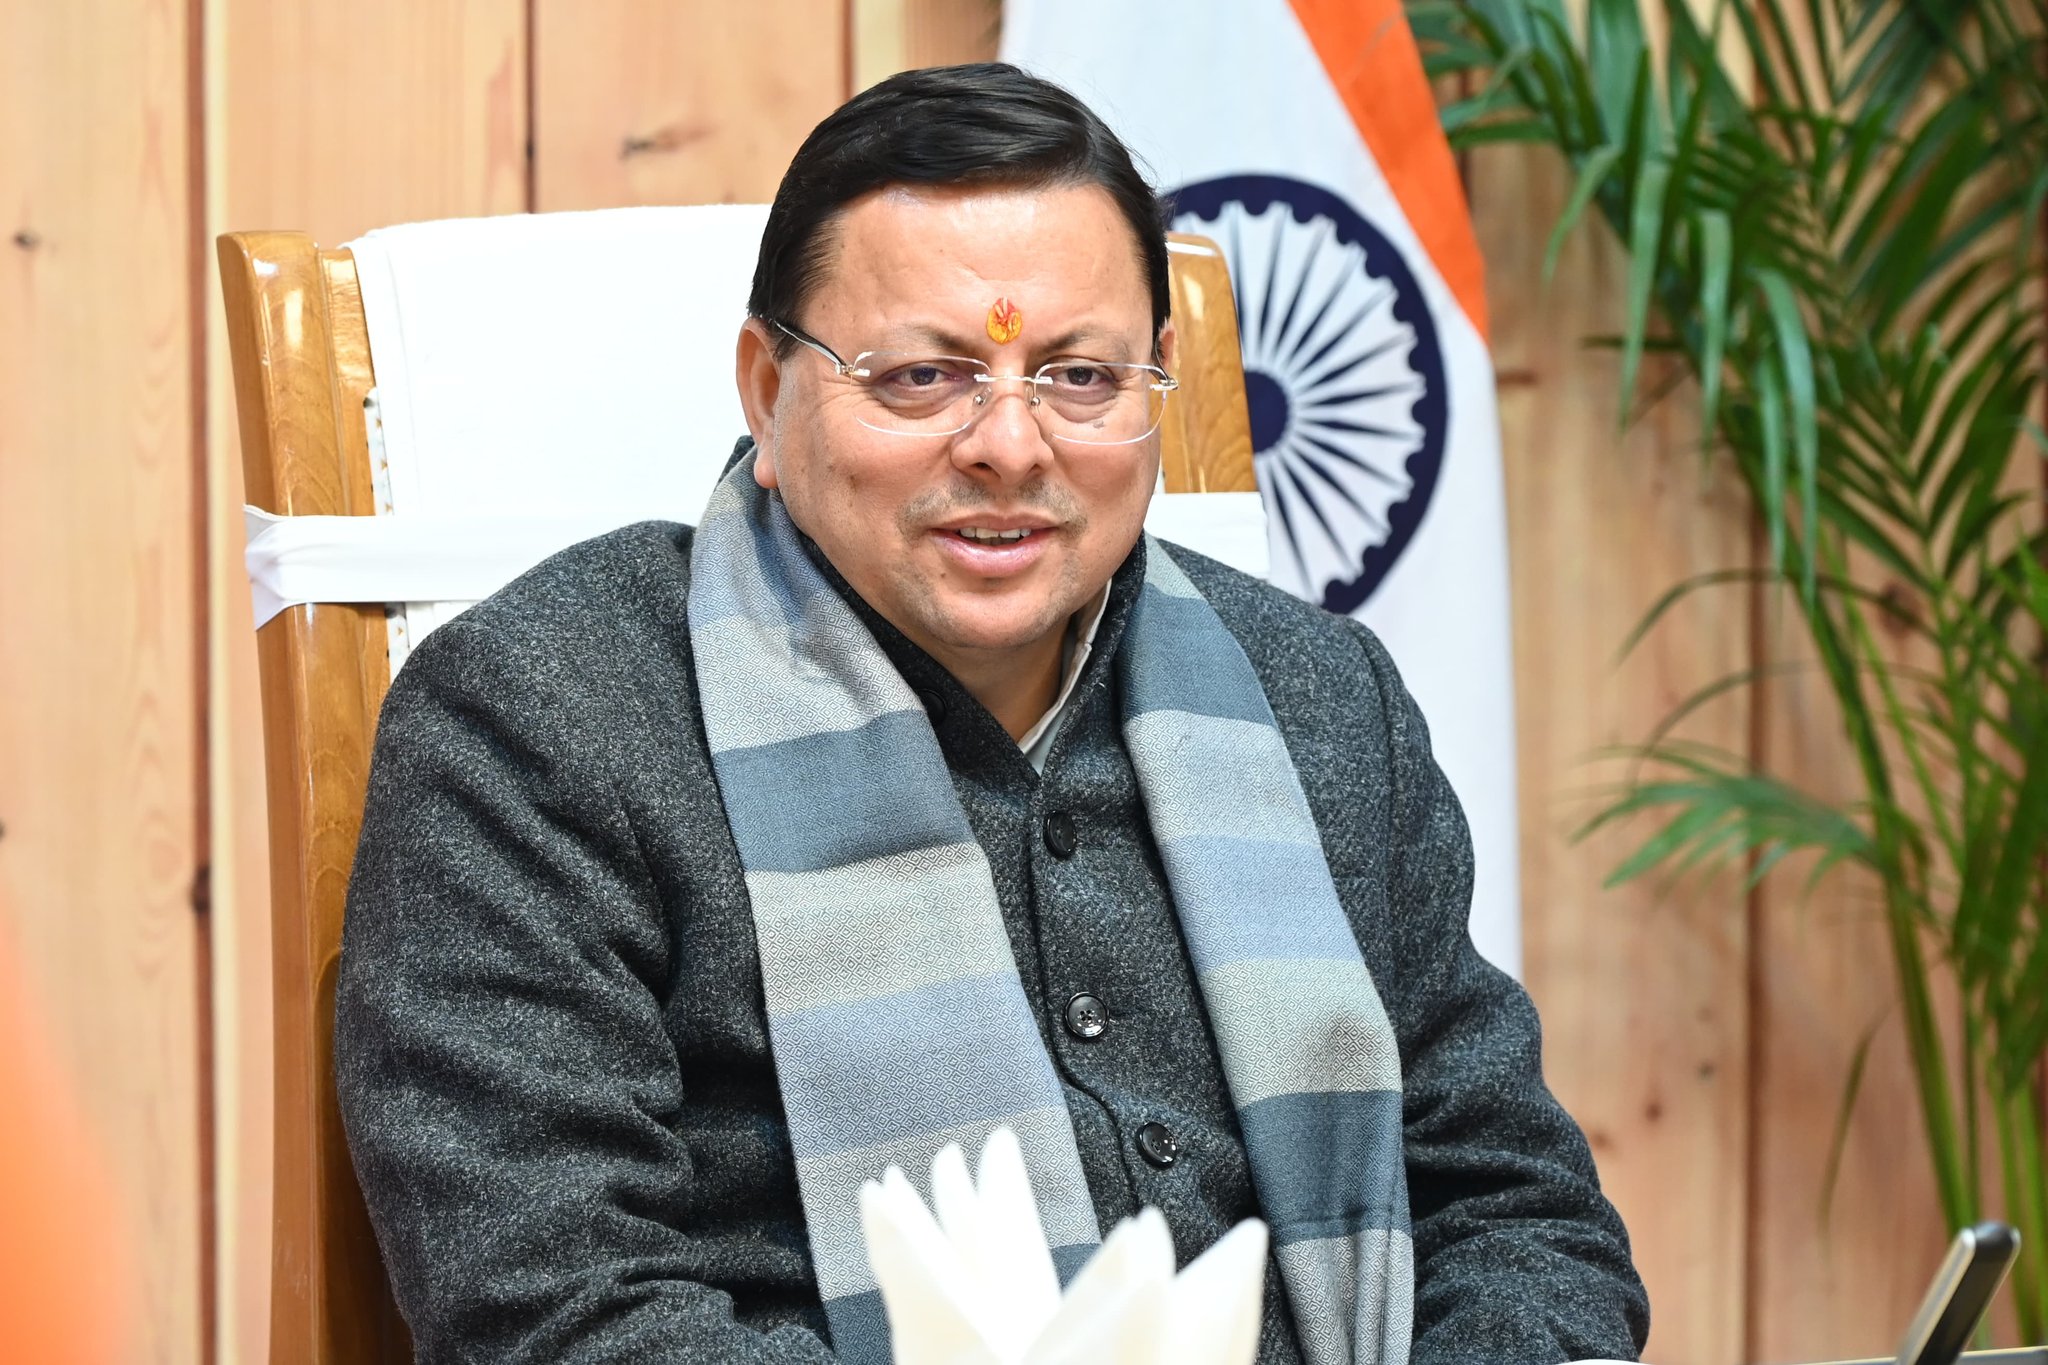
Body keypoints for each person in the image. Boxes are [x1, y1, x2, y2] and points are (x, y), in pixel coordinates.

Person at [336, 62, 1649, 1365]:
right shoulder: (542, 721)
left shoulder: (1321, 699)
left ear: (1158, 385)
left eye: (1080, 377)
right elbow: (560, 1312)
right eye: (922, 376)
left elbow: (1516, 1212)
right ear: (765, 389)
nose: (1009, 447)